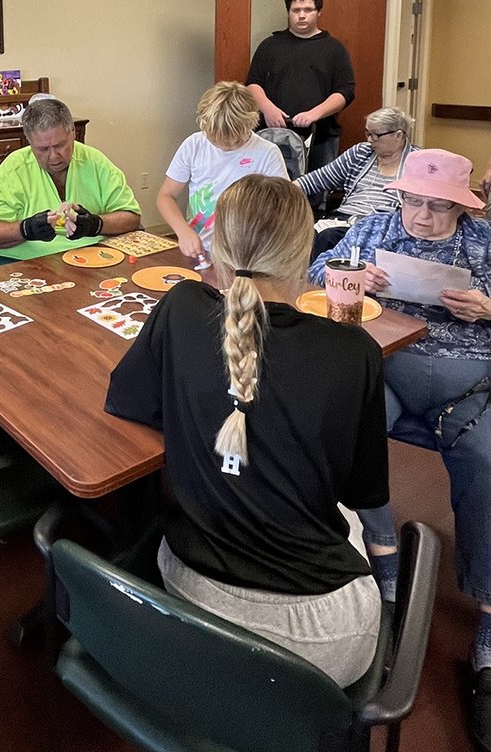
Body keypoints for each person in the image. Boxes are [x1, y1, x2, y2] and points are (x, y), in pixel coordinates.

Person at [105, 176, 389, 686]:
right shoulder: (354, 351)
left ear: (217, 244)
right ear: (307, 249)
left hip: (190, 601)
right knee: (352, 518)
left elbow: (128, 400)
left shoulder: (180, 308)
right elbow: (360, 490)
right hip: (319, 647)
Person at [310, 149, 491, 749]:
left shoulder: (485, 242)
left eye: (437, 208)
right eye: (414, 202)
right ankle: (383, 553)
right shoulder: (378, 224)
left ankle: (487, 617)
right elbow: (322, 270)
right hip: (385, 369)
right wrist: (355, 277)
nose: (421, 217)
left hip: (465, 382)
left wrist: (490, 310)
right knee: (339, 433)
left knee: (488, 468)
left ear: (462, 206)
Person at [0, 96, 141, 265]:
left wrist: (95, 224)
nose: (54, 156)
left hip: (88, 259)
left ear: (73, 133)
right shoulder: (14, 169)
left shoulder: (95, 162)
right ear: (29, 141)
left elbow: (132, 218)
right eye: (43, 149)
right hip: (21, 261)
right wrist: (26, 229)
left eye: (60, 145)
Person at [156, 81, 287, 263]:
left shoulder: (267, 153)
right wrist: (183, 231)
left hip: (247, 254)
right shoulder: (194, 145)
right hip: (201, 251)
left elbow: (285, 208)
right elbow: (166, 196)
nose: (225, 145)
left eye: (233, 141)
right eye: (215, 139)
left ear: (250, 124)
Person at [246, 0, 355, 174]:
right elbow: (252, 83)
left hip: (320, 136)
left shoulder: (334, 49)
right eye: (296, 10)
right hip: (271, 134)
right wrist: (268, 109)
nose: (302, 15)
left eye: (308, 10)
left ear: (318, 11)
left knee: (314, 194)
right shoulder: (270, 46)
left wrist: (314, 114)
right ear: (288, 12)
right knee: (267, 192)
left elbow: (345, 91)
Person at [296, 106, 419, 256]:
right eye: (368, 133)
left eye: (376, 135)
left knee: (328, 238)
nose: (369, 140)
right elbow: (319, 178)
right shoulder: (361, 153)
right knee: (303, 236)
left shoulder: (418, 162)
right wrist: (286, 189)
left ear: (398, 135)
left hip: (382, 226)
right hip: (343, 218)